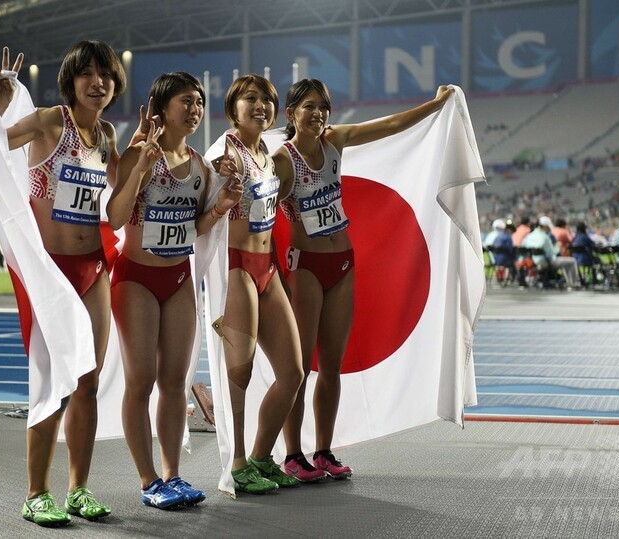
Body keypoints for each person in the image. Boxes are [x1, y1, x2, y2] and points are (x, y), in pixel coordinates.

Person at [272, 79, 453, 482]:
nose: (317, 114)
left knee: (332, 365)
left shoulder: (335, 141)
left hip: (342, 263)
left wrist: (434, 106)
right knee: (299, 369)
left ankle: (323, 451)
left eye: (323, 106)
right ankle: (292, 454)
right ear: (291, 113)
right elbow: (261, 219)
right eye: (308, 107)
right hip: (306, 267)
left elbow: (388, 126)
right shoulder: (283, 161)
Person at [0, 42, 125, 526]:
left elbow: (116, 201)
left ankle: (79, 489)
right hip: (52, 272)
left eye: (105, 74)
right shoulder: (50, 121)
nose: (97, 82)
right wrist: (2, 103)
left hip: (92, 269)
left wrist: (143, 158)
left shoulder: (107, 134)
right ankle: (35, 493)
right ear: (71, 81)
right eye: (87, 74)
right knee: (50, 385)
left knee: (88, 382)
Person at [105, 72, 242, 509]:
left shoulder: (202, 167)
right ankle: (148, 481)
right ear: (162, 109)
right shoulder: (138, 155)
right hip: (136, 279)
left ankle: (172, 476)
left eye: (200, 101)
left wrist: (220, 207)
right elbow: (116, 217)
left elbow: (197, 227)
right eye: (186, 100)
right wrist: (141, 168)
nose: (195, 108)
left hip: (179, 281)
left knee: (174, 383)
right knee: (141, 381)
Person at [212, 74, 303, 494]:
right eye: (251, 99)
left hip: (267, 268)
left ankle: (263, 456)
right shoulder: (227, 149)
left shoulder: (267, 151)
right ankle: (237, 462)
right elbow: (215, 168)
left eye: (267, 100)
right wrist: (219, 171)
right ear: (234, 109)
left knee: (293, 372)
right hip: (237, 268)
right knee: (240, 372)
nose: (261, 106)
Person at [522, 216, 581, 289]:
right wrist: (557, 247)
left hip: (534, 261)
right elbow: (551, 253)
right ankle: (573, 283)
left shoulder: (530, 236)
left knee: (566, 262)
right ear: (544, 226)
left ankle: (570, 283)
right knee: (571, 261)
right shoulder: (544, 237)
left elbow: (523, 245)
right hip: (546, 262)